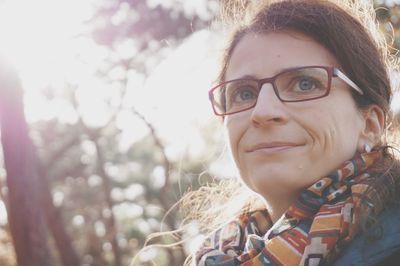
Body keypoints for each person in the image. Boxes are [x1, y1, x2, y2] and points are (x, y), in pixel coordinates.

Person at [187, 0, 400, 265]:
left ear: (370, 125)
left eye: (304, 84)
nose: (262, 112)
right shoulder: (217, 254)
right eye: (244, 93)